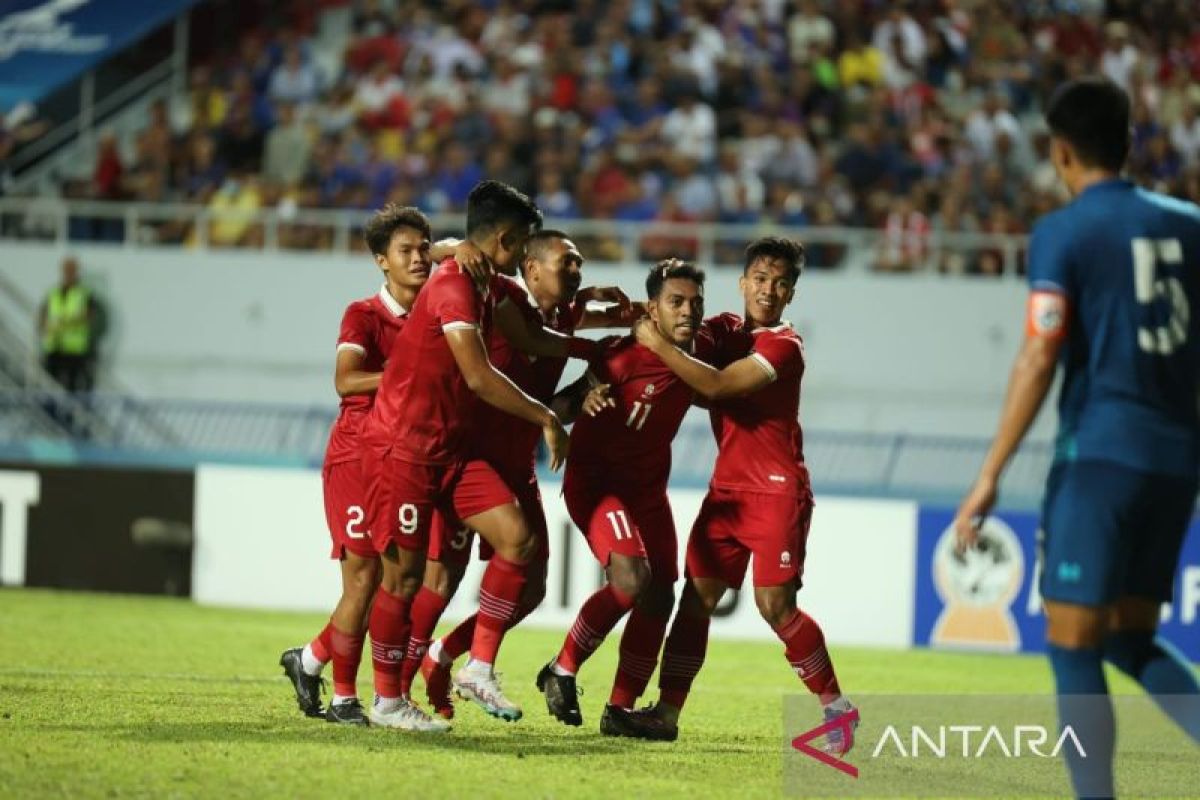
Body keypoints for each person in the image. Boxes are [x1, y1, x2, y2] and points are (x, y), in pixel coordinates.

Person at [953, 77, 1200, 798]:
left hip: (1099, 457)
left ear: (1059, 150)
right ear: (1127, 143)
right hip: (1177, 462)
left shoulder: (1063, 231)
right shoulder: (1190, 224)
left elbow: (1038, 354)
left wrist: (991, 471)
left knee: (1072, 646)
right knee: (1127, 637)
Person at [359, 180, 593, 730]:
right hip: (406, 449)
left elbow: (533, 339)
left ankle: (477, 666)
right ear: (507, 239)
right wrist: (545, 417)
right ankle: (386, 699)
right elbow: (479, 376)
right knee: (406, 579)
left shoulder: (484, 282)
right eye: (523, 245)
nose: (525, 257)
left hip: (453, 451)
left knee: (518, 540)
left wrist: (599, 346)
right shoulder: (455, 288)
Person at [399, 230, 641, 719]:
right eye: (566, 262)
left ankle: (444, 656)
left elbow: (550, 405)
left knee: (530, 589)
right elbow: (437, 254)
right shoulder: (501, 295)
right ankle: (397, 691)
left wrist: (583, 397)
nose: (576, 271)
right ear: (531, 269)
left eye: (579, 264)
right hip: (468, 458)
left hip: (515, 465)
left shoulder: (565, 315)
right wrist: (453, 245)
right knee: (442, 578)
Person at [628, 237, 856, 749]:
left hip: (777, 491)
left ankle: (836, 708)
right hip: (726, 492)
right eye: (760, 279)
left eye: (780, 283)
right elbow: (680, 340)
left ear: (792, 292)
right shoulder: (724, 330)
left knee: (775, 606)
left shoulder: (784, 346)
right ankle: (666, 713)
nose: (768, 291)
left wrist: (657, 344)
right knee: (696, 600)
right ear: (742, 282)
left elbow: (716, 387)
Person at [277, 205, 484, 726]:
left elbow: (449, 251)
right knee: (366, 578)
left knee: (397, 578)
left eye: (423, 250)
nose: (417, 259)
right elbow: (346, 381)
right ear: (380, 262)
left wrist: (449, 247)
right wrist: (405, 372)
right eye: (404, 252)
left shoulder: (439, 307)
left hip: (408, 456)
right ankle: (345, 697)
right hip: (356, 456)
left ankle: (309, 660)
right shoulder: (364, 314)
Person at [538, 259, 710, 737]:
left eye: (696, 302)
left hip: (648, 492)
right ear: (653, 309)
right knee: (632, 577)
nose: (688, 312)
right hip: (598, 486)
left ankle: (619, 709)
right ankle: (563, 668)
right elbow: (558, 407)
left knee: (659, 595)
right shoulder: (620, 356)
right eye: (676, 302)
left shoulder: (699, 354)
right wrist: (583, 403)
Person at [39, 256, 99, 394]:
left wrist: (64, 323)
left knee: (72, 387)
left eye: (72, 270)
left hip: (75, 349)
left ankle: (68, 415)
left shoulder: (85, 293)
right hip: (54, 346)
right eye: (66, 270)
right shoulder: (53, 293)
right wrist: (44, 326)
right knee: (49, 385)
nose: (69, 273)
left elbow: (89, 316)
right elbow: (43, 315)